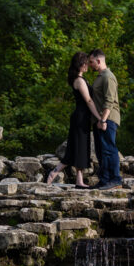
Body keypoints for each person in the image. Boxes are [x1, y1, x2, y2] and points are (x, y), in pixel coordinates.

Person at [47, 52, 103, 188]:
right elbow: (89, 101)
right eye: (86, 63)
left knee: (80, 148)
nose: (88, 66)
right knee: (76, 148)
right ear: (81, 64)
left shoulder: (81, 79)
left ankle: (79, 180)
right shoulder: (79, 80)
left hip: (83, 118)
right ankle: (54, 172)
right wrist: (99, 117)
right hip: (80, 117)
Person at [89, 49, 123, 190]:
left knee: (109, 149)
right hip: (100, 120)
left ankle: (115, 180)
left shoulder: (108, 76)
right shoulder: (100, 76)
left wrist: (103, 120)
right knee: (101, 151)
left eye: (91, 62)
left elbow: (109, 100)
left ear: (98, 60)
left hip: (107, 119)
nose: (90, 65)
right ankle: (104, 180)